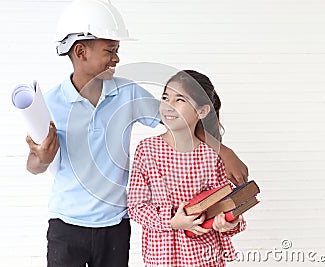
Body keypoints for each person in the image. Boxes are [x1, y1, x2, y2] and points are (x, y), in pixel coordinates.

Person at [25, 1, 248, 266]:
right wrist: (42, 156)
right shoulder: (50, 104)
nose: (117, 58)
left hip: (116, 224)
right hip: (66, 225)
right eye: (110, 50)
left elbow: (175, 121)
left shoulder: (127, 93)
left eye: (117, 50)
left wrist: (225, 151)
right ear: (81, 51)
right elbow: (34, 166)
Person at [127, 70, 246, 267]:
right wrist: (172, 222)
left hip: (204, 257)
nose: (168, 105)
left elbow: (228, 206)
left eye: (179, 99)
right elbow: (136, 207)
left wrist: (228, 222)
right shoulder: (147, 150)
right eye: (165, 97)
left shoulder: (211, 155)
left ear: (202, 111)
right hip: (161, 258)